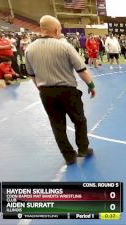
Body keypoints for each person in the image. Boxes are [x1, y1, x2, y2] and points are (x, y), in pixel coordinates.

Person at [25, 15, 95, 165]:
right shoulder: (64, 46)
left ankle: (69, 156)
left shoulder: (29, 49)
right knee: (79, 120)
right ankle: (83, 148)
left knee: (57, 124)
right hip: (67, 91)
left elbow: (32, 75)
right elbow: (81, 69)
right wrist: (91, 86)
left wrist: (41, 89)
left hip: (46, 92)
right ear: (56, 30)